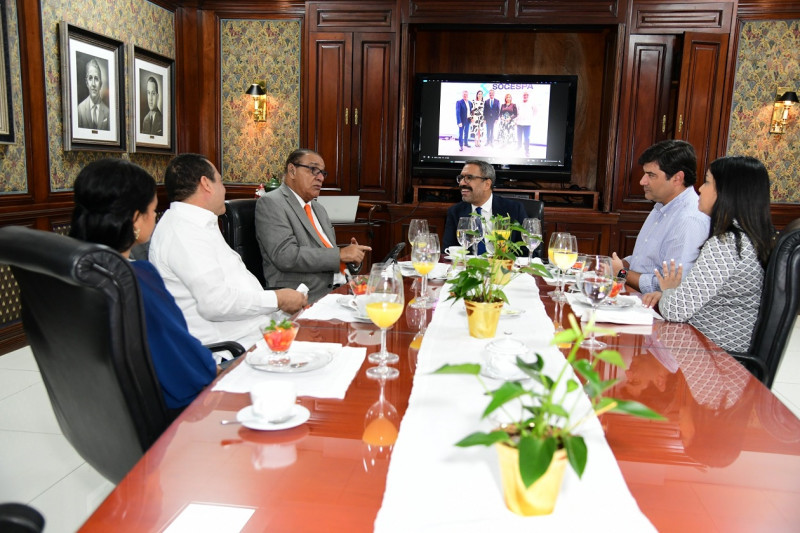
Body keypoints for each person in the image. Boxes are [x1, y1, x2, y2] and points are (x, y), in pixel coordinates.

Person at [69, 158, 217, 411]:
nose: (155, 217)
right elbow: (189, 367)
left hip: (104, 411)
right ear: (136, 220)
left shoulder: (72, 273)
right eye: (153, 210)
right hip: (181, 411)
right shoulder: (137, 280)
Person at [149, 153, 307, 350]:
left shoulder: (199, 224)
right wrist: (278, 299)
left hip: (260, 331)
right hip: (235, 348)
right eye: (221, 182)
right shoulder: (183, 232)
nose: (224, 189)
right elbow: (217, 303)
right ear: (206, 184)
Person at [642, 156, 776, 353]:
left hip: (712, 356)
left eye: (707, 182)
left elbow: (675, 311)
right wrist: (670, 294)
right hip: (714, 349)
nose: (700, 189)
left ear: (727, 193)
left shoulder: (727, 245)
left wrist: (669, 291)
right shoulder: (749, 238)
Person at [255, 149, 372, 303]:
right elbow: (285, 255)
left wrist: (351, 259)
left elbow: (324, 254)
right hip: (306, 296)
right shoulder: (272, 203)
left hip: (340, 291)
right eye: (313, 170)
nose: (321, 178)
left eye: (323, 173)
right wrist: (340, 254)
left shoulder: (318, 209)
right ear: (292, 170)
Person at [610, 140, 710, 294]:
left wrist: (621, 273)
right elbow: (646, 260)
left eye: (651, 175)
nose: (642, 181)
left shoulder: (689, 220)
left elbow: (671, 287)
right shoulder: (661, 206)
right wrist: (616, 264)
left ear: (677, 178)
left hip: (656, 310)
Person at [442, 159, 528, 254]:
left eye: (469, 178)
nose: (462, 183)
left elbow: (528, 251)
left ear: (487, 184)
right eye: (461, 178)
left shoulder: (514, 209)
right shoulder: (455, 212)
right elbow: (448, 251)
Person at [76, 58, 110, 131]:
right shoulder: (80, 109)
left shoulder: (108, 112)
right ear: (87, 82)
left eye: (96, 79)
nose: (93, 84)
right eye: (90, 78)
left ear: (100, 84)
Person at [515, 92, 537, 156]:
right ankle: (519, 147)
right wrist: (516, 121)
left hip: (527, 124)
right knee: (519, 137)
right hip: (519, 123)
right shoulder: (519, 103)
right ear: (523, 96)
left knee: (526, 137)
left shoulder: (531, 103)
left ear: (528, 96)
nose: (525, 96)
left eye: (526, 95)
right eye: (524, 95)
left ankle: (527, 150)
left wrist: (530, 118)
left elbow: (535, 112)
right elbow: (517, 113)